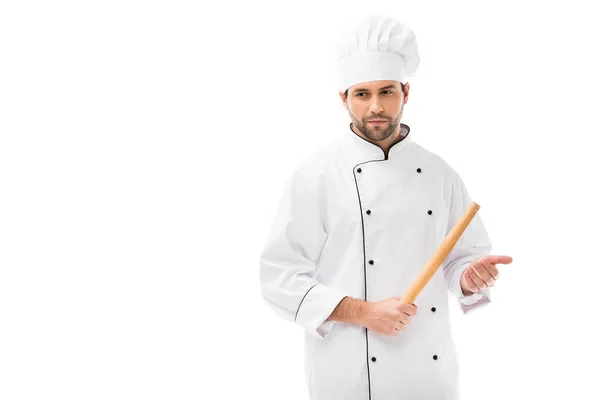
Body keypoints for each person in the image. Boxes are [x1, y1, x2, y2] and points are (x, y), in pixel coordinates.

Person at [259, 14, 513, 400]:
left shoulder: (439, 173)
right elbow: (279, 277)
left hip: (430, 376)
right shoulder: (317, 176)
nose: (376, 106)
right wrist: (362, 312)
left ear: (406, 93)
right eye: (362, 94)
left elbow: (462, 260)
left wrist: (469, 277)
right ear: (344, 99)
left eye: (387, 92)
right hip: (348, 375)